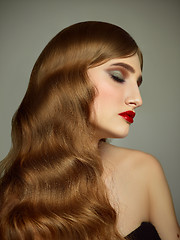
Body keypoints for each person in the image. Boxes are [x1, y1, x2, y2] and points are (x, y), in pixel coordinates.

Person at [0, 21, 179, 240]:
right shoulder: (14, 195)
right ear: (67, 80)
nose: (137, 99)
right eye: (118, 76)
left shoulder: (144, 170)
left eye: (137, 83)